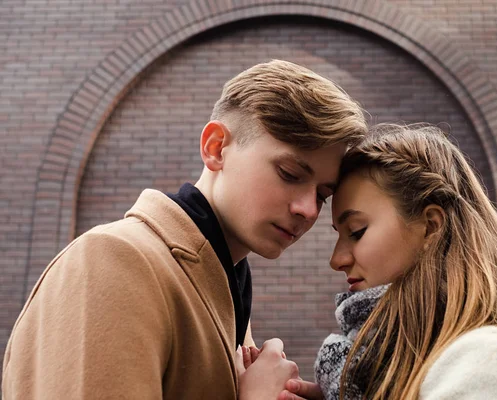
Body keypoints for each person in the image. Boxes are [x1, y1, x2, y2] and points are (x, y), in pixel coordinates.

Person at [2, 60, 367, 399]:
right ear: (215, 148)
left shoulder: (224, 287)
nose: (306, 209)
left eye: (322, 194)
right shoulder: (113, 261)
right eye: (289, 174)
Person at [285, 123, 497, 399]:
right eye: (339, 235)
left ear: (431, 226)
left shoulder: (489, 357)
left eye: (357, 232)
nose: (337, 260)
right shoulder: (413, 363)